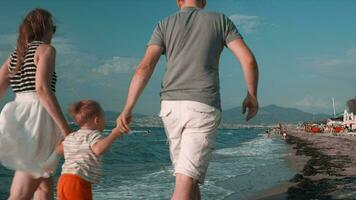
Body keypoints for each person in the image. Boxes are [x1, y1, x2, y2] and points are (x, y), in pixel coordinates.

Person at [116, 0, 259, 199]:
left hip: (170, 108)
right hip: (202, 105)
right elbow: (248, 59)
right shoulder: (219, 20)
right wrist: (252, 94)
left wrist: (127, 108)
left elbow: (145, 67)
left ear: (178, 1)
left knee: (188, 178)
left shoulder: (163, 24)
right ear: (204, 1)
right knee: (186, 180)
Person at [0, 8, 70, 200]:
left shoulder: (16, 55)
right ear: (45, 28)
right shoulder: (46, 50)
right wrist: (66, 130)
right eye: (53, 28)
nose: (53, 34)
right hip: (37, 116)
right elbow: (42, 90)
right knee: (20, 193)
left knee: (44, 186)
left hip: (17, 114)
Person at [56, 100, 124, 200]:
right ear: (97, 120)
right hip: (78, 181)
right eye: (103, 118)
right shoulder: (93, 135)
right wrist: (114, 134)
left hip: (63, 180)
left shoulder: (72, 137)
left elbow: (58, 150)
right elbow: (98, 149)